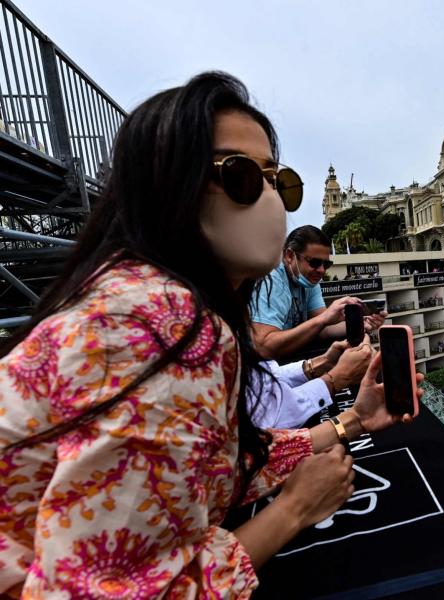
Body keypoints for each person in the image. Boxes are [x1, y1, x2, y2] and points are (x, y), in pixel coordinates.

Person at [0, 72, 418, 597]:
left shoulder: (151, 301)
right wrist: (292, 511)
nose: (271, 199)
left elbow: (220, 461)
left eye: (278, 180)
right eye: (242, 177)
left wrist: (352, 422)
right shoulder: (156, 328)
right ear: (167, 187)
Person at [250, 225, 386, 361]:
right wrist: (323, 318)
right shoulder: (271, 279)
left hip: (290, 353)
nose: (321, 270)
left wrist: (358, 323)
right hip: (259, 365)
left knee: (356, 349)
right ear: (290, 256)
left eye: (326, 265)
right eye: (314, 262)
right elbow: (263, 348)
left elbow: (323, 329)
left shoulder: (308, 280)